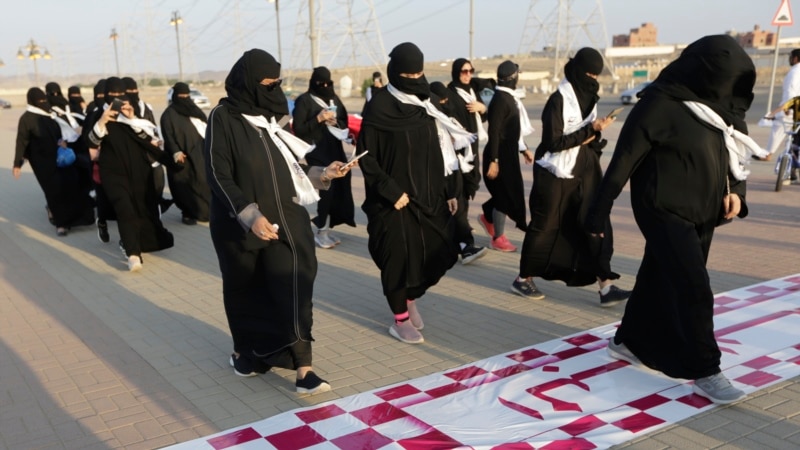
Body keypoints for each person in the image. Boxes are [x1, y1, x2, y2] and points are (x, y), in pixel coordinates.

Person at [585, 35, 764, 404]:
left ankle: (628, 342)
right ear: (705, 71)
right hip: (662, 210)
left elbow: (735, 155)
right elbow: (622, 164)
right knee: (693, 288)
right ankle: (705, 369)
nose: (729, 89)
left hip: (704, 213)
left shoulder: (718, 108)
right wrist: (597, 215)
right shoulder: (659, 105)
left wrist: (737, 194)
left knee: (658, 275)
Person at [206, 49, 348, 394]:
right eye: (266, 84)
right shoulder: (223, 117)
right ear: (247, 82)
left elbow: (293, 167)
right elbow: (217, 173)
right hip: (240, 225)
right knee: (246, 290)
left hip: (288, 217)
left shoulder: (273, 118)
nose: (272, 91)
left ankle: (304, 368)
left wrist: (323, 173)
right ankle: (246, 351)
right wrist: (250, 215)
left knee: (294, 283)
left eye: (277, 84)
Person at [358, 42, 467, 344]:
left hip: (428, 194)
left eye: (419, 73)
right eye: (408, 74)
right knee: (398, 259)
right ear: (395, 73)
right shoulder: (380, 107)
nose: (415, 79)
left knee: (439, 251)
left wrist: (449, 190)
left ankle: (411, 296)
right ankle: (399, 318)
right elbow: (366, 156)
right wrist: (390, 191)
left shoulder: (426, 102)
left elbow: (441, 148)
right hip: (392, 202)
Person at [513, 48, 630, 305]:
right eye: (588, 73)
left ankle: (606, 285)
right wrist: (592, 128)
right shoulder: (558, 100)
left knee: (594, 224)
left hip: (585, 168)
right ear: (577, 70)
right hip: (555, 173)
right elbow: (553, 142)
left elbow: (585, 136)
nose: (592, 79)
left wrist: (597, 131)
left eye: (596, 75)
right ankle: (523, 278)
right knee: (545, 227)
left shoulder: (590, 98)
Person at [98, 94, 175, 272]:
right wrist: (103, 121)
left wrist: (132, 117)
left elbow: (148, 140)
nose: (121, 107)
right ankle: (133, 255)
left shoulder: (133, 123)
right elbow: (92, 141)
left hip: (138, 174)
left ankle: (133, 244)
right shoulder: (100, 119)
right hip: (113, 176)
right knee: (125, 210)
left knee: (138, 211)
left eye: (124, 103)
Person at [12, 87, 95, 236]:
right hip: (41, 163)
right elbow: (21, 141)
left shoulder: (50, 115)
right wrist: (17, 164)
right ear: (31, 102)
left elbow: (61, 133)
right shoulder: (26, 119)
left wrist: (63, 142)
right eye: (39, 101)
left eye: (44, 99)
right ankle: (61, 224)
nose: (43, 103)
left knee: (68, 186)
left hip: (59, 159)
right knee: (53, 192)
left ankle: (75, 219)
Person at [292, 66, 355, 248]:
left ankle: (327, 227)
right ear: (314, 83)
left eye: (328, 83)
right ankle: (321, 232)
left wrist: (335, 121)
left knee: (341, 185)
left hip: (334, 149)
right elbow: (299, 129)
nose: (325, 86)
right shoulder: (304, 101)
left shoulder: (333, 99)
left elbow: (344, 121)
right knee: (327, 189)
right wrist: (318, 119)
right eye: (321, 83)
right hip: (316, 152)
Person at [480, 60, 534, 253]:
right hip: (499, 155)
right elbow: (494, 132)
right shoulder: (501, 100)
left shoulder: (509, 98)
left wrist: (523, 148)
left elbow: (512, 131)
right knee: (504, 196)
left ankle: (488, 216)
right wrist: (494, 161)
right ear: (513, 77)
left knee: (510, 193)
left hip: (508, 154)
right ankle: (497, 238)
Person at [447, 58, 494, 264]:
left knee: (465, 192)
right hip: (456, 153)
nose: (467, 74)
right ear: (456, 72)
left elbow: (492, 85)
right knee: (457, 195)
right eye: (464, 71)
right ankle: (466, 245)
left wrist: (482, 109)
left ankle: (457, 237)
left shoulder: (472, 91)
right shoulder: (449, 93)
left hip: (471, 150)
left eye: (470, 70)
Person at [160, 82, 211, 225]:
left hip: (200, 153)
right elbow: (168, 135)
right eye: (181, 95)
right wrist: (176, 151)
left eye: (186, 95)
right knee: (184, 186)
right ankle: (188, 213)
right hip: (182, 157)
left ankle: (206, 212)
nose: (184, 98)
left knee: (203, 182)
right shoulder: (168, 115)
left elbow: (205, 127)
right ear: (175, 96)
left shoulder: (195, 110)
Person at [760, 48, 800, 162]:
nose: (789, 59)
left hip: (791, 109)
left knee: (780, 128)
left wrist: (781, 110)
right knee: (792, 136)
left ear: (795, 58)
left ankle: (768, 154)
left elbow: (790, 94)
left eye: (791, 57)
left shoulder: (794, 73)